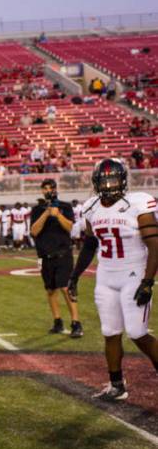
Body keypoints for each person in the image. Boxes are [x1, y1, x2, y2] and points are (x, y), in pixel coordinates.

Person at [69, 158, 158, 400]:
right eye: (104, 180)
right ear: (96, 183)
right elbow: (89, 245)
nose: (109, 185)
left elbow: (154, 245)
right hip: (106, 275)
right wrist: (74, 276)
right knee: (110, 332)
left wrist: (148, 281)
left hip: (134, 273)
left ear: (123, 180)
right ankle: (117, 385)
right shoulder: (90, 207)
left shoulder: (138, 203)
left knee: (137, 332)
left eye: (113, 180)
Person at [30, 179, 83, 338]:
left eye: (51, 188)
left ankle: (76, 322)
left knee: (66, 287)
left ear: (56, 189)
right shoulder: (38, 210)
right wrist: (46, 213)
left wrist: (57, 214)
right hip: (45, 256)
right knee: (50, 289)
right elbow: (34, 231)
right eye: (45, 188)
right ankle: (57, 321)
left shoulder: (65, 207)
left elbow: (69, 227)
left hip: (63, 253)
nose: (48, 190)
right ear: (42, 191)